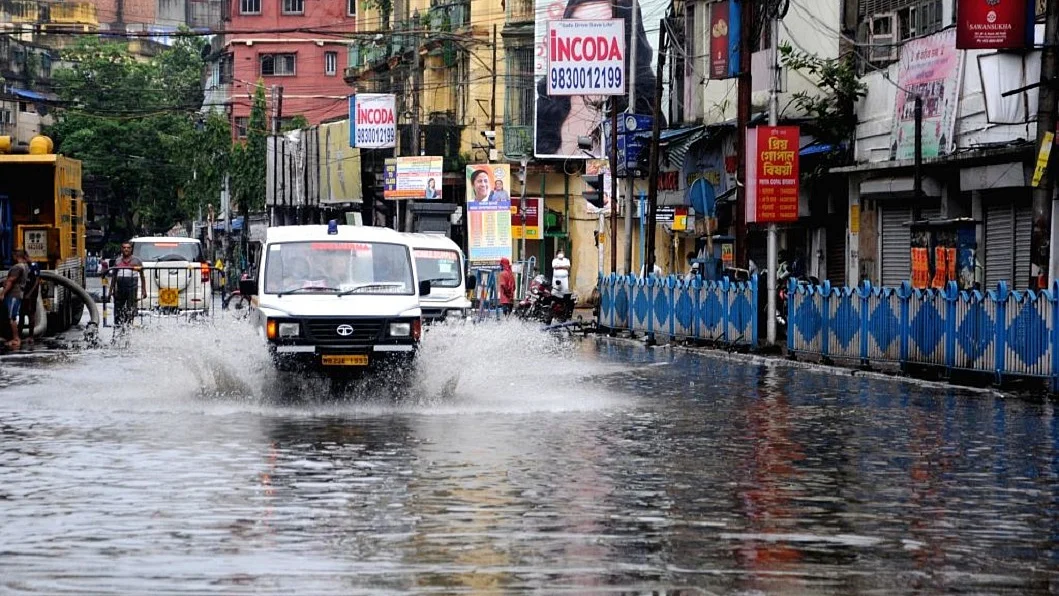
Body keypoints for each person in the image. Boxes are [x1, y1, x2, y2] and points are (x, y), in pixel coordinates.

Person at [535, 0, 662, 156]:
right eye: (577, 28)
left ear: (627, 43)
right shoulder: (546, 108)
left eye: (605, 31)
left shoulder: (640, 108)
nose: (588, 45)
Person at [111, 242, 147, 329]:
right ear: (121, 249)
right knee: (118, 309)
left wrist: (143, 289)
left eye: (128, 248)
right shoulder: (118, 261)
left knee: (130, 309)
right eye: (124, 247)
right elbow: (114, 277)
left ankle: (128, 327)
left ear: (131, 249)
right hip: (120, 288)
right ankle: (118, 327)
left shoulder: (137, 261)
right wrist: (111, 290)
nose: (126, 249)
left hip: (132, 288)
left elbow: (142, 276)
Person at [0, 250, 31, 349]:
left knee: (12, 317)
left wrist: (2, 293)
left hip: (13, 294)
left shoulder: (17, 267)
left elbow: (10, 281)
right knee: (10, 316)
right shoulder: (25, 266)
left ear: (16, 256)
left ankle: (16, 338)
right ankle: (12, 337)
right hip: (18, 294)